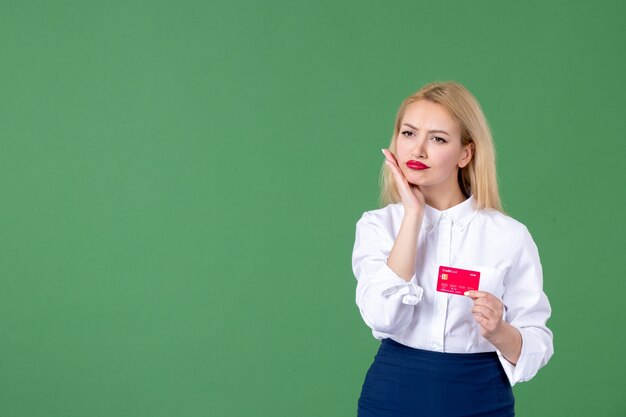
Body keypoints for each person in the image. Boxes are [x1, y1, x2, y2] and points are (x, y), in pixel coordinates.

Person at [351, 81, 553, 417]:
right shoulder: (377, 226)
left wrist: (500, 331)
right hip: (394, 394)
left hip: (481, 397)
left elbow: (538, 341)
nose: (417, 151)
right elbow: (381, 317)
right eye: (408, 133)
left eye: (438, 139)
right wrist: (413, 215)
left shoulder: (509, 235)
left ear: (465, 153)